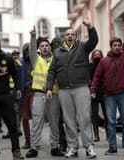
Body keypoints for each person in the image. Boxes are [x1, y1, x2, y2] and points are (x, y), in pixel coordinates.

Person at [46, 20, 98, 159]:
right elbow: (52, 72)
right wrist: (49, 88)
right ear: (64, 37)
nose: (70, 36)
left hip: (81, 88)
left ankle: (89, 147)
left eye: (72, 34)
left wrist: (91, 28)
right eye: (67, 34)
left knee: (85, 118)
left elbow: (93, 41)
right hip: (64, 90)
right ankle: (72, 147)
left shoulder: (82, 47)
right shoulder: (57, 52)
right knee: (68, 120)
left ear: (76, 37)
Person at [90, 24, 124, 155]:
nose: (117, 47)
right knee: (110, 122)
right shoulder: (104, 61)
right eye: (114, 45)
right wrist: (93, 90)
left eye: (119, 45)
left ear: (121, 47)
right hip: (109, 95)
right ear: (111, 47)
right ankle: (112, 147)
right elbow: (97, 76)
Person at [25, 26, 64, 158]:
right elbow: (31, 50)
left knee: (54, 121)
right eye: (42, 46)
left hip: (53, 93)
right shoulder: (36, 60)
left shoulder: (56, 59)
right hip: (39, 94)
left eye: (47, 45)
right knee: (37, 121)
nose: (45, 48)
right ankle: (34, 148)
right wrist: (33, 37)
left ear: (50, 47)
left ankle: (55, 147)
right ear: (39, 49)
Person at [89, 49, 107, 142]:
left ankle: (108, 133)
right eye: (95, 54)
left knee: (106, 114)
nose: (97, 56)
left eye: (98, 54)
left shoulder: (105, 65)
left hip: (104, 92)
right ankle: (96, 135)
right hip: (94, 92)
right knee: (94, 115)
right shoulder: (90, 66)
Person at [19, 43, 33, 149]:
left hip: (35, 93)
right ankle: (28, 140)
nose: (29, 52)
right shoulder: (20, 62)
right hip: (24, 93)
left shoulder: (37, 60)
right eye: (27, 50)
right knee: (25, 118)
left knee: (37, 118)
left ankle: (35, 139)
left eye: (31, 50)